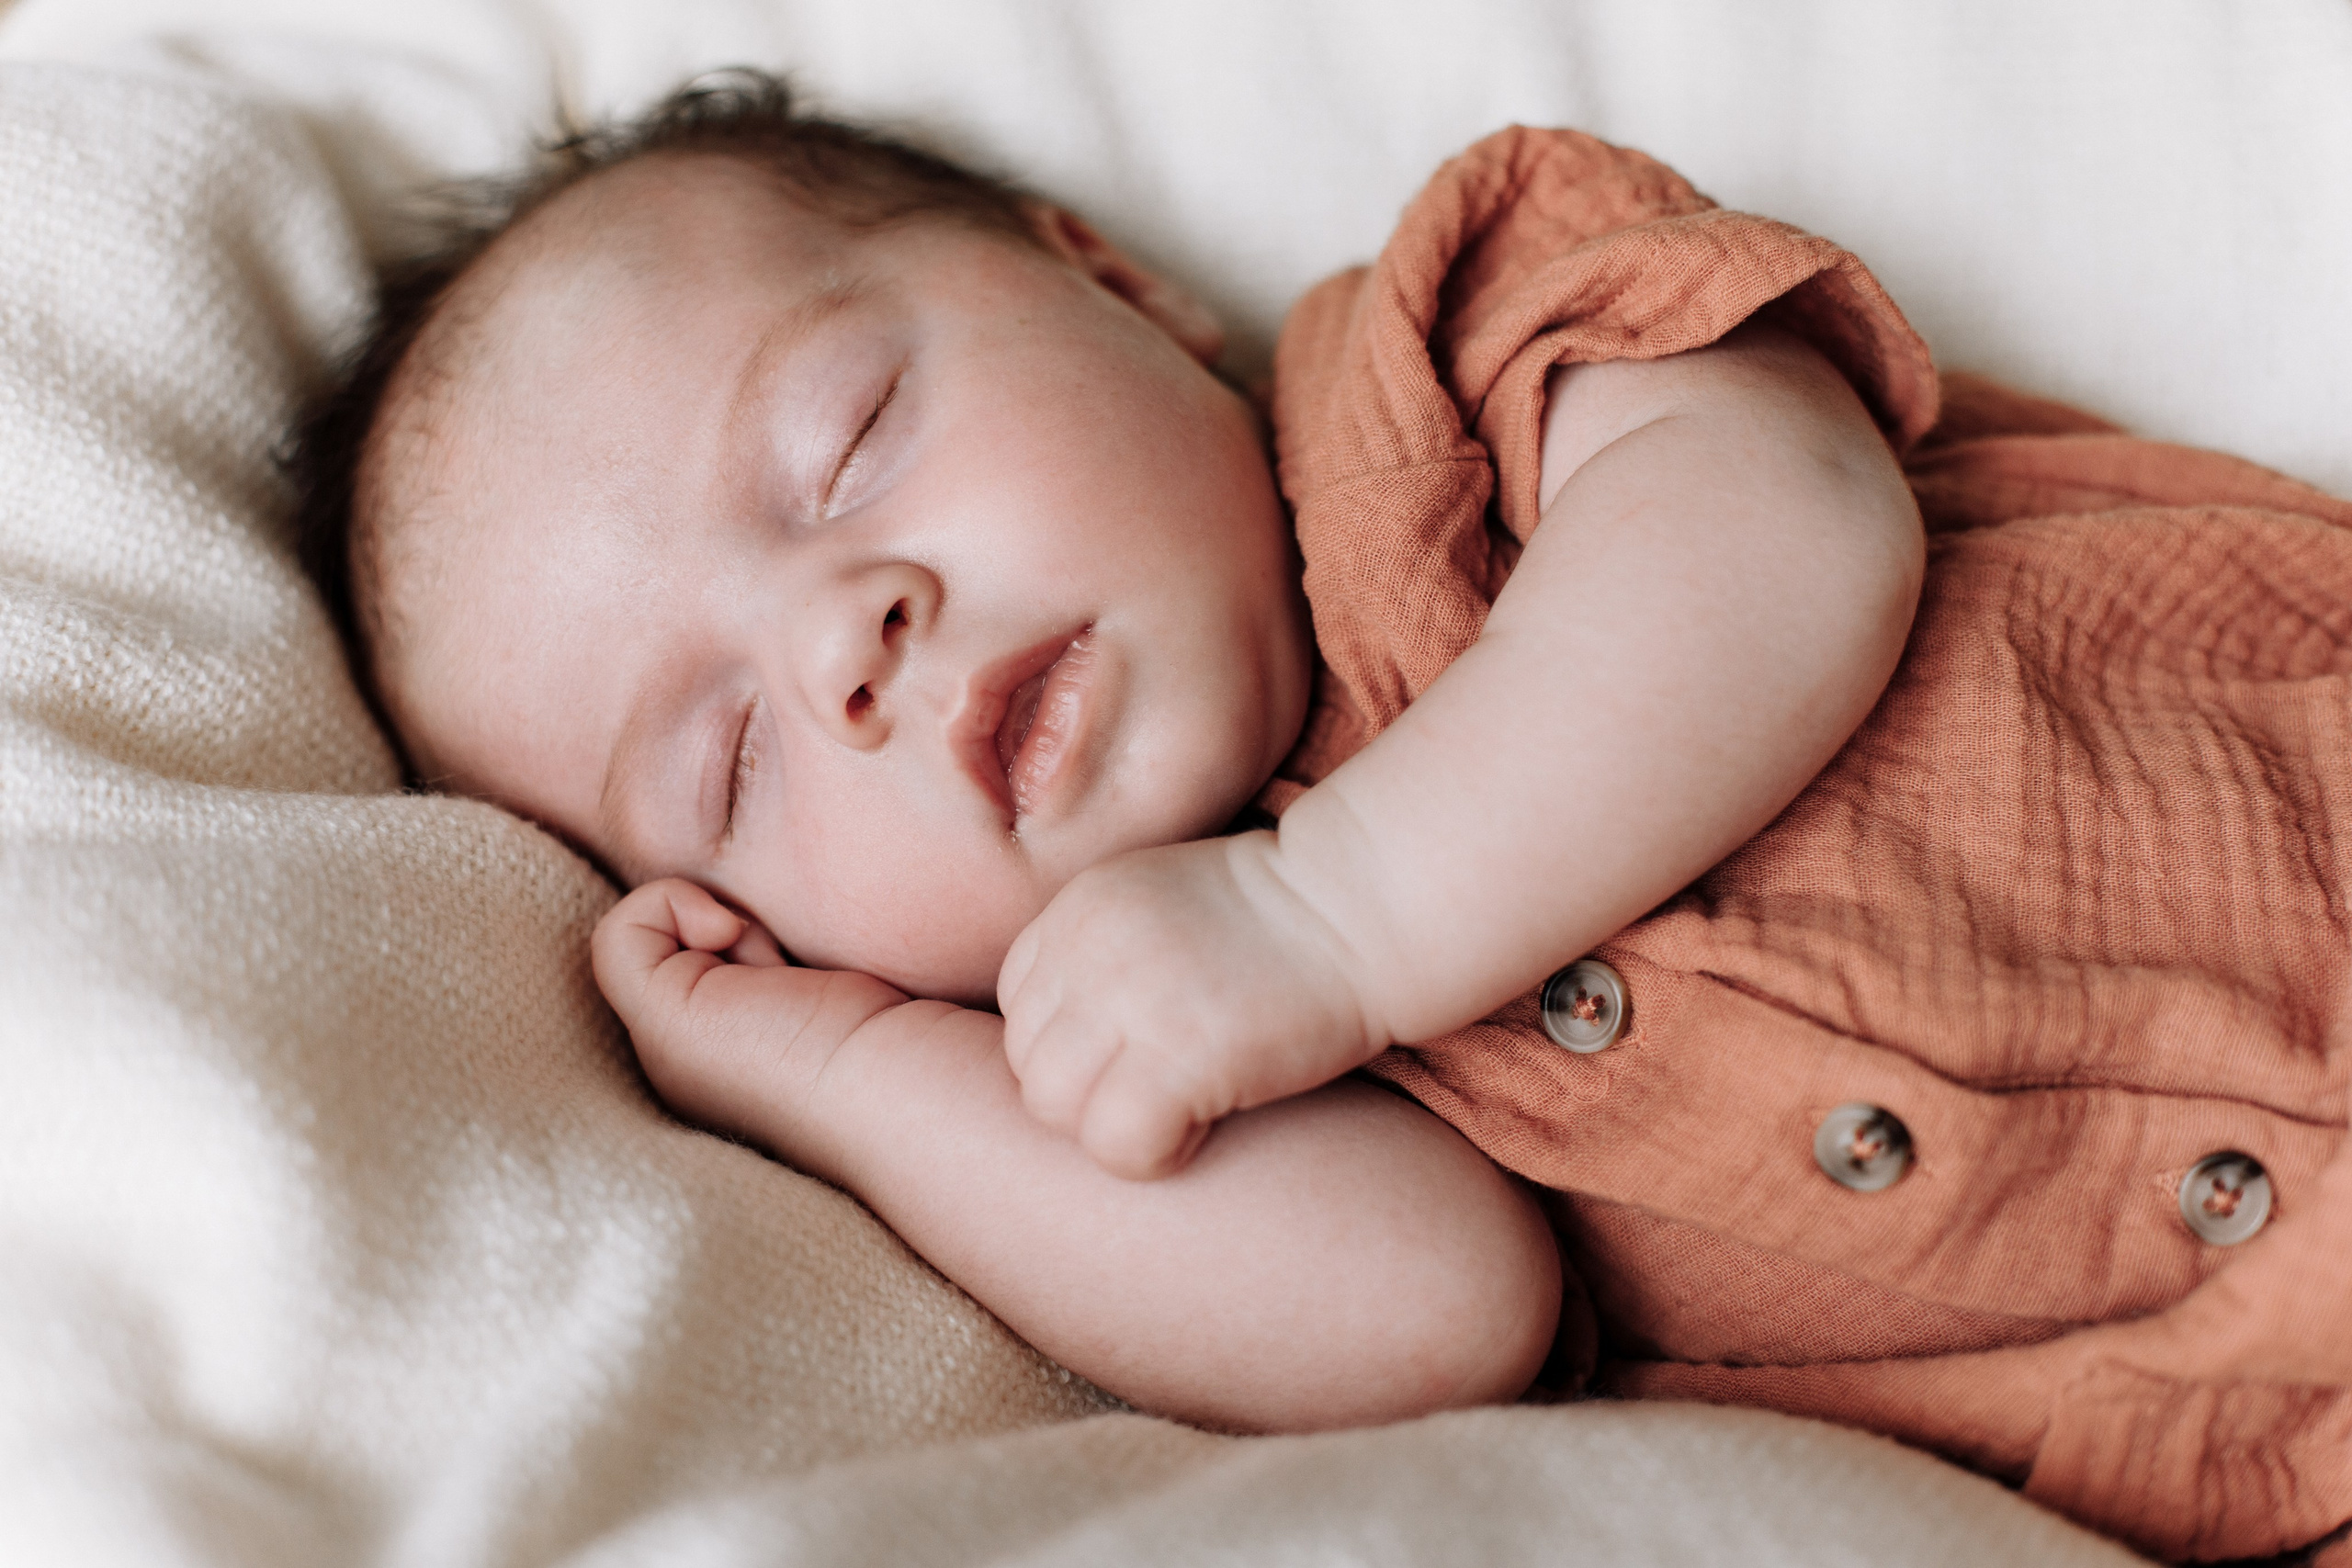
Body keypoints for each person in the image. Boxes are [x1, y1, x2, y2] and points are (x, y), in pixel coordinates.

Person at [289, 71, 2352, 1563]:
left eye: (843, 443)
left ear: (1103, 275)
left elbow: (1782, 532)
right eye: (727, 764)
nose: (846, 644)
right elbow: (1423, 1315)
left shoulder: (1453, 346)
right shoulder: (1117, 1028)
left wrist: (1332, 914)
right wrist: (836, 1071)